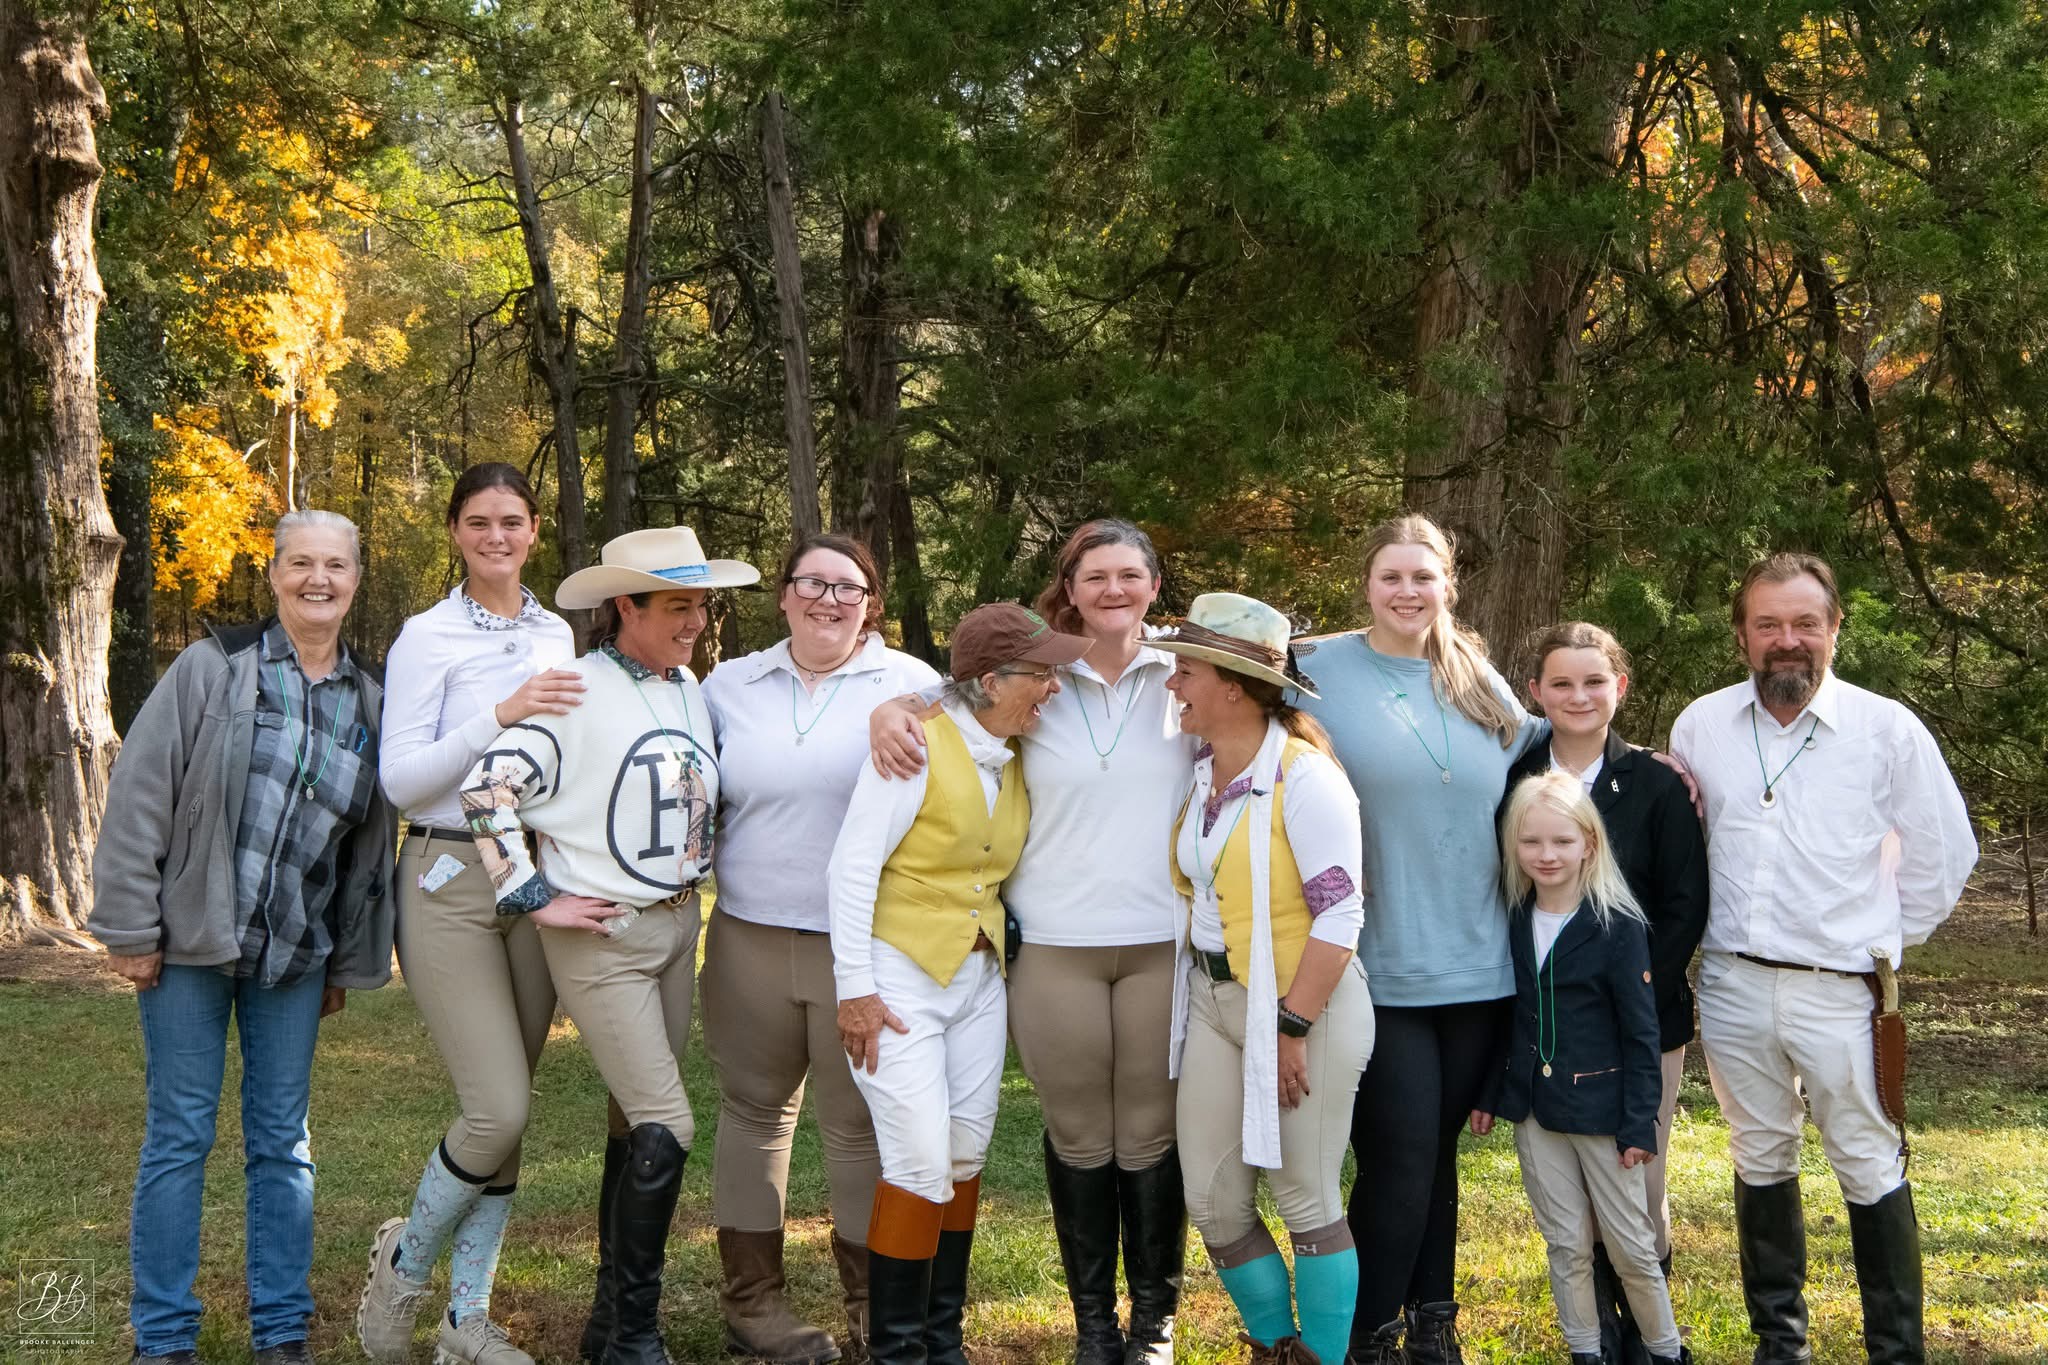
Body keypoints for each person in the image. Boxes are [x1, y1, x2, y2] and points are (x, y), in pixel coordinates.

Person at [869, 519, 1195, 1365]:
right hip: (1055, 946)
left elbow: (1275, 682)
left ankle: (1152, 1328)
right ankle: (1095, 1329)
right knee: (1081, 1135)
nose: (1114, 589)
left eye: (1130, 574)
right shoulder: (1040, 671)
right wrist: (888, 707)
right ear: (1070, 589)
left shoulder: (1185, 671)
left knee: (1151, 1134)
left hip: (1163, 942)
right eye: (1096, 576)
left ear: (1155, 586)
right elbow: (946, 697)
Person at [89, 509, 397, 1365]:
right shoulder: (213, 666)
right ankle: (163, 1337)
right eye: (301, 563)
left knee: (283, 1143)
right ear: (273, 574)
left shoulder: (372, 698)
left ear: (355, 578)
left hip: (295, 956)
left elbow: (367, 848)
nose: (318, 579)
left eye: (335, 564)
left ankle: (282, 1332)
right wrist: (131, 924)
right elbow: (141, 793)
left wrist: (346, 960)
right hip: (189, 945)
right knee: (180, 1133)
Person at [456, 525, 760, 1365]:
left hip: (677, 926)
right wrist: (532, 893)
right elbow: (485, 788)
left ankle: (606, 1318)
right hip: (606, 936)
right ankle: (633, 1338)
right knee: (668, 1121)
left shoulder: (687, 687)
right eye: (677, 606)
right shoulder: (576, 687)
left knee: (635, 1122)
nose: (696, 621)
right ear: (626, 605)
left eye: (701, 605)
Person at [1669, 552, 1976, 1365]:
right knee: (1759, 1153)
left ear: (1835, 628)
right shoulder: (1701, 725)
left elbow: (1944, 855)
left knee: (1869, 1162)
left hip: (1841, 989)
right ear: (1742, 635)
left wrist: (1877, 940)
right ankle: (1781, 1346)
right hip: (1732, 981)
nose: (1787, 639)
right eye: (1768, 623)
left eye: (1806, 622)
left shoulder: (1886, 729)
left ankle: (1895, 1352)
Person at [1290, 514, 1542, 1363]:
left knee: (1433, 1157)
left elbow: (1553, 755)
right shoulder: (1315, 669)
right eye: (1391, 576)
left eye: (1423, 576)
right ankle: (1364, 1336)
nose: (1407, 591)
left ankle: (1433, 1324)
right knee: (1397, 1157)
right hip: (1372, 961)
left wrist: (1655, 764)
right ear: (1366, 584)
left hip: (1478, 966)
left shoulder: (1477, 677)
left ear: (1448, 586)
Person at [355, 464, 582, 1365]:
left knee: (510, 1112)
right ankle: (403, 1265)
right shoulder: (427, 635)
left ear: (535, 529)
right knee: (496, 1106)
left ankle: (465, 1318)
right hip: (447, 869)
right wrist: (502, 710)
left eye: (512, 521)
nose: (497, 536)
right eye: (479, 521)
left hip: (531, 869)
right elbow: (402, 780)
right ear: (455, 530)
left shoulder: (557, 632)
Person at [699, 533, 941, 1363]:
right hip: (749, 938)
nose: (829, 600)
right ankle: (752, 1305)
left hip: (863, 949)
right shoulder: (730, 685)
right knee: (752, 1112)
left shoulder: (912, 684)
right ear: (784, 594)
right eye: (812, 582)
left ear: (871, 605)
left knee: (858, 1123)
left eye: (849, 588)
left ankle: (874, 1306)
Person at [829, 603, 1091, 1365]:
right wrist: (855, 990)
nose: (1054, 687)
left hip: (978, 978)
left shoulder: (1014, 752)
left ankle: (942, 1341)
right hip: (897, 979)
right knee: (916, 1160)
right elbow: (851, 869)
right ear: (990, 681)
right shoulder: (913, 746)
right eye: (1041, 673)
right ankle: (898, 1350)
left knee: (964, 1153)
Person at [1155, 594, 1375, 1365]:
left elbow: (1340, 913)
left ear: (1233, 686)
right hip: (1216, 1001)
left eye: (1186, 670)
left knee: (1304, 1194)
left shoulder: (1304, 777)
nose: (1173, 683)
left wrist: (1292, 1025)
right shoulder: (1203, 768)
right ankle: (1277, 1348)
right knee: (1213, 1201)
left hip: (1302, 1006)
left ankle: (1322, 1356)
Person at [1501, 622, 1707, 1365]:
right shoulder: (1515, 778)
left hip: (1643, 1023)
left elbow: (1685, 904)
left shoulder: (1656, 783)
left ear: (1619, 687)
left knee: (1637, 1190)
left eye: (1595, 681)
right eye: (1561, 682)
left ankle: (1653, 1339)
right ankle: (1602, 1338)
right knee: (1572, 1212)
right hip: (1551, 1031)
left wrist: (1629, 994)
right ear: (1536, 692)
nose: (1579, 696)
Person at [1471, 771, 1688, 1365]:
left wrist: (1640, 1122)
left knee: (1631, 1247)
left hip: (1603, 1114)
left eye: (1562, 841)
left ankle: (1665, 1351)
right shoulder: (1514, 917)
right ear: (1513, 845)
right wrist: (1490, 1092)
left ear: (1589, 844)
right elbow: (1511, 1018)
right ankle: (1585, 1351)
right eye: (1531, 841)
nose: (1547, 855)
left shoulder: (1617, 925)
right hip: (1535, 1113)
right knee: (1565, 1243)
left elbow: (1642, 1033)